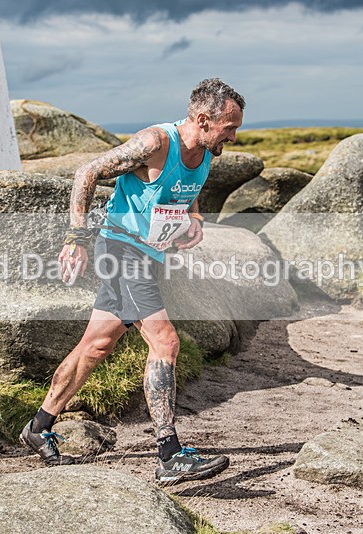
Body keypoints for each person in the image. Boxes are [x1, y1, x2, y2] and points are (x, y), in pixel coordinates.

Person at [20, 78, 245, 485]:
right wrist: (76, 239)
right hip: (121, 251)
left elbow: (186, 190)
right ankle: (169, 456)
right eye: (229, 127)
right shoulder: (155, 143)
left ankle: (38, 427)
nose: (233, 136)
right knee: (166, 342)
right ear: (202, 119)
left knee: (96, 345)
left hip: (147, 256)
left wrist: (194, 218)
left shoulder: (206, 151)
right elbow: (87, 173)